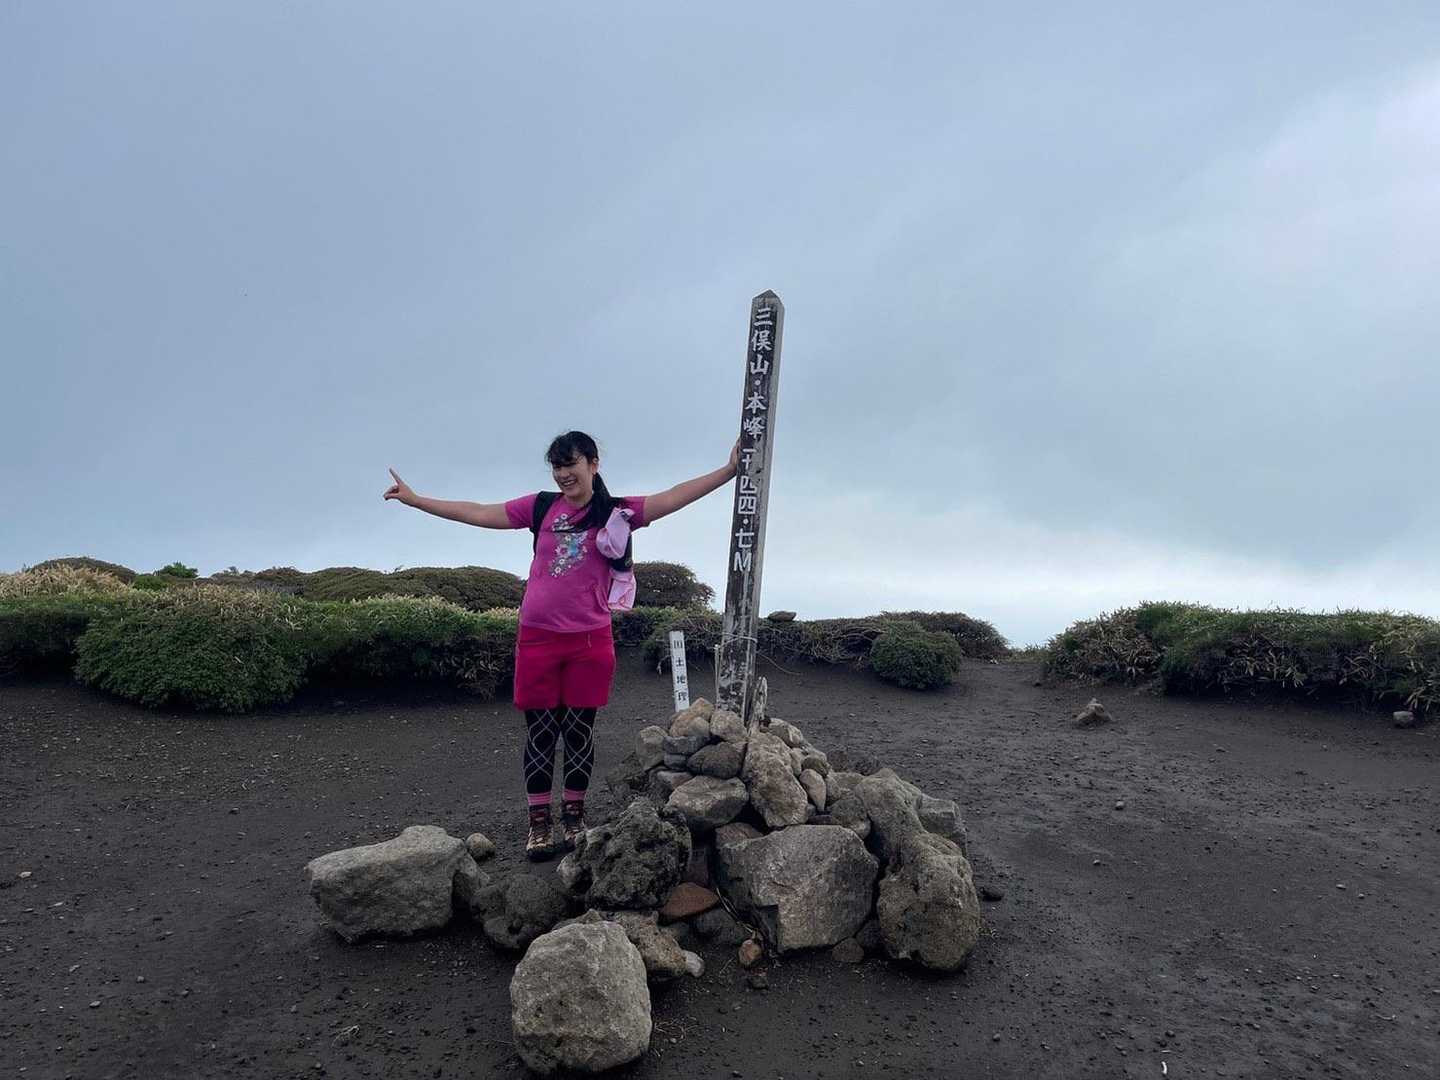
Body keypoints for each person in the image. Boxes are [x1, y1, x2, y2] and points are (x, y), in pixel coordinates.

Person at [384, 431, 738, 859]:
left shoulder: (617, 512)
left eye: (570, 464)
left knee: (578, 732)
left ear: (593, 464)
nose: (563, 474)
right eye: (557, 466)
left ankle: (573, 817)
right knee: (540, 733)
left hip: (590, 641)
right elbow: (478, 512)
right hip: (537, 639)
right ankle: (539, 823)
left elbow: (673, 496)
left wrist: (728, 471)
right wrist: (417, 500)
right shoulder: (540, 507)